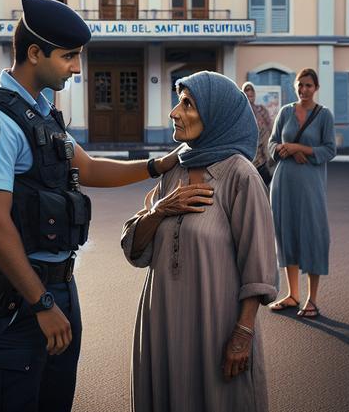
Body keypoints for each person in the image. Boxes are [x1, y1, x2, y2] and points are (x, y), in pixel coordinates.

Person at [0, 0, 181, 412]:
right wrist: (41, 302)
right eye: (69, 56)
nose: (77, 68)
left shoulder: (39, 115)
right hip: (21, 296)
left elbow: (88, 168)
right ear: (34, 53)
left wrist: (157, 165)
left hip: (59, 286)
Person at [121, 71, 277, 412]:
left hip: (215, 323)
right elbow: (135, 249)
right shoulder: (174, 170)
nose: (174, 112)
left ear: (216, 115)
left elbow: (258, 265)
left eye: (188, 104)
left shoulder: (240, 176)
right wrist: (159, 211)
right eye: (179, 102)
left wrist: (243, 333)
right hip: (162, 320)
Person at [265, 68, 336, 318]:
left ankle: (312, 299)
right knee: (287, 235)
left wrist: (300, 148)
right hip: (283, 183)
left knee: (313, 235)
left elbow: (329, 150)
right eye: (300, 85)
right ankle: (292, 294)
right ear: (295, 86)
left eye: (308, 85)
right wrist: (283, 149)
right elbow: (271, 144)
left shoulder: (324, 115)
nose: (303, 90)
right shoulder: (285, 112)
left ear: (316, 88)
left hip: (310, 185)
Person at [241, 81, 274, 186]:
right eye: (246, 92)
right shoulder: (240, 112)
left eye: (251, 93)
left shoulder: (262, 110)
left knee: (265, 186)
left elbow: (270, 129)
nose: (249, 94)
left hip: (263, 158)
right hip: (247, 158)